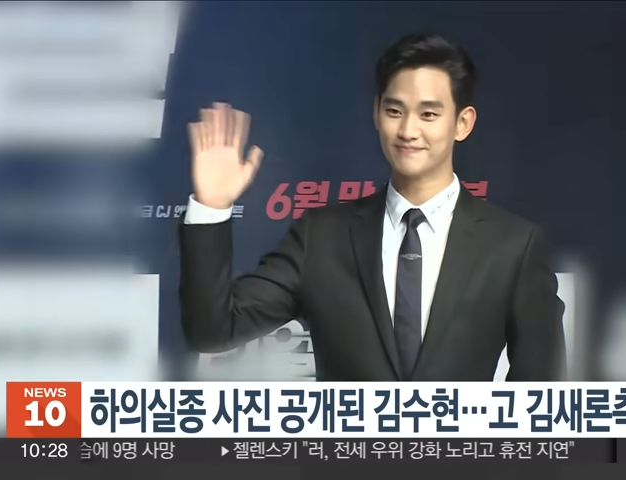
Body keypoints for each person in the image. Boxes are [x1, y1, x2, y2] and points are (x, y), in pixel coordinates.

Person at [179, 33, 565, 381]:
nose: (408, 131)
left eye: (429, 114)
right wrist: (212, 206)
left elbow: (541, 389)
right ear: (376, 111)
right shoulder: (322, 237)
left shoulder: (513, 245)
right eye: (395, 111)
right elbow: (212, 331)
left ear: (462, 123)